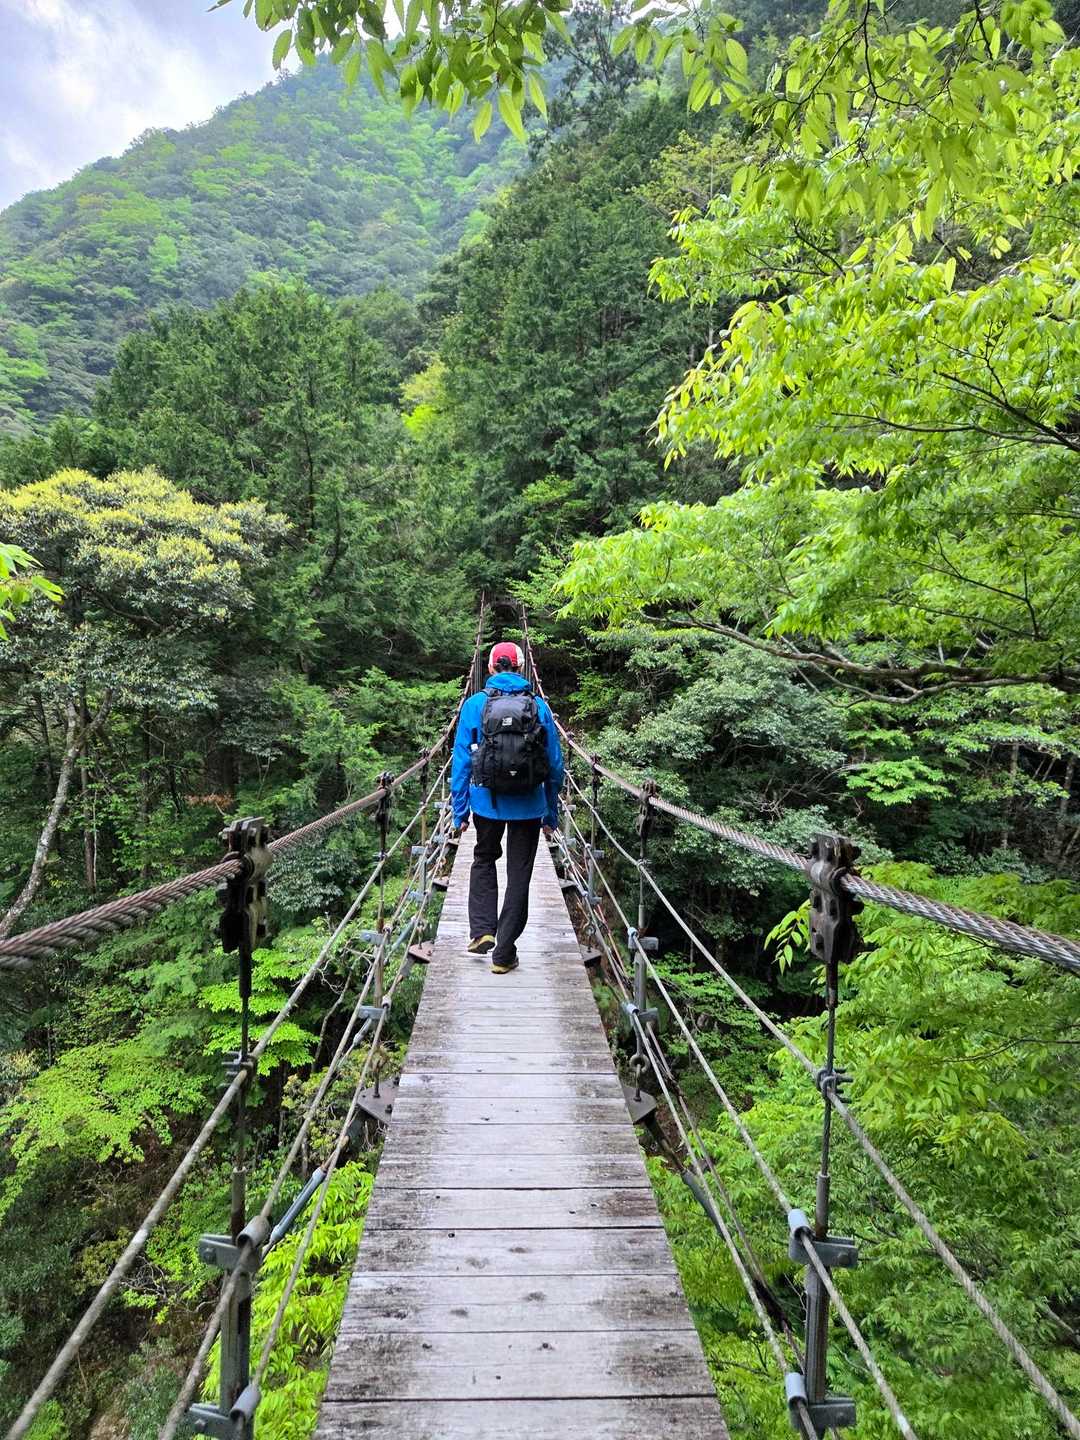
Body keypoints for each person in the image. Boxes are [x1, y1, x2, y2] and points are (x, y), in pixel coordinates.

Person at [451, 640, 564, 974]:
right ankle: (503, 954)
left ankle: (482, 930)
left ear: (489, 668)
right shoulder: (538, 707)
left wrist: (460, 811)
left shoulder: (474, 705)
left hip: (486, 801)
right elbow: (555, 765)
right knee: (519, 874)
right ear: (520, 668)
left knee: (484, 858)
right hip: (529, 804)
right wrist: (551, 812)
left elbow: (461, 762)